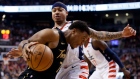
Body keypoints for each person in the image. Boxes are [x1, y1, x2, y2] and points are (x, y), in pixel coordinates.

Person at [7, 1, 136, 79]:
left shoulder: (76, 26)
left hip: (76, 66)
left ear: (67, 13)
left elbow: (99, 34)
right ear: (51, 14)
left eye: (60, 10)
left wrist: (121, 34)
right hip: (58, 70)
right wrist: (21, 51)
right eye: (54, 10)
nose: (57, 12)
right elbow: (30, 44)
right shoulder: (50, 33)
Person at [7, 20, 90, 79]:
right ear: (74, 31)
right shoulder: (53, 34)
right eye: (83, 39)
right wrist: (24, 46)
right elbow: (25, 42)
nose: (82, 43)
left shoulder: (66, 46)